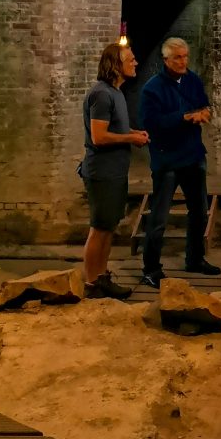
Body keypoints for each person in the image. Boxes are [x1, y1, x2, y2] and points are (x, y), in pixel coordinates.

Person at [138, 37, 221, 288]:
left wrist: (205, 113)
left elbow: (203, 104)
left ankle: (195, 259)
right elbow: (151, 124)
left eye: (185, 56)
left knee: (199, 212)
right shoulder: (152, 89)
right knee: (159, 217)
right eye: (178, 57)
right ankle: (151, 268)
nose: (183, 61)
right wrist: (184, 117)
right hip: (167, 160)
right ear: (166, 60)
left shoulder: (193, 80)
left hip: (194, 156)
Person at [80, 43, 149, 299]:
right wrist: (131, 140)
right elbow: (99, 137)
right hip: (102, 172)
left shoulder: (116, 92)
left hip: (115, 171)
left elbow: (114, 128)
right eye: (130, 59)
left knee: (108, 226)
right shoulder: (101, 94)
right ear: (115, 65)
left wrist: (133, 132)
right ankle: (90, 282)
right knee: (99, 228)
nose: (135, 63)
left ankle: (101, 277)